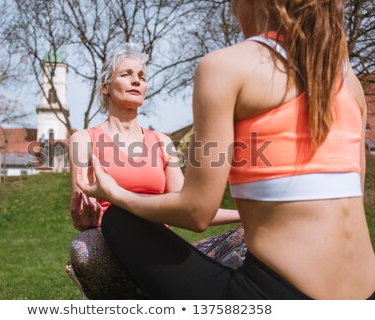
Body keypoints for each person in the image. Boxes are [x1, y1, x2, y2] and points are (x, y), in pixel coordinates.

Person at [76, 0, 375, 299]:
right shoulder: (348, 80)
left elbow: (195, 212)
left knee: (119, 219)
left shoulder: (224, 67)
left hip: (281, 295)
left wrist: (115, 196)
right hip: (366, 294)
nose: (232, 11)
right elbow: (351, 196)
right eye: (127, 74)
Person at [67, 43, 243, 299]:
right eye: (126, 74)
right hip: (111, 243)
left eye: (141, 77)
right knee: (84, 248)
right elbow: (85, 209)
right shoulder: (84, 140)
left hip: (159, 245)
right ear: (105, 87)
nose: (136, 80)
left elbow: (192, 207)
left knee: (254, 234)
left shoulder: (162, 141)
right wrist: (86, 221)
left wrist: (246, 214)